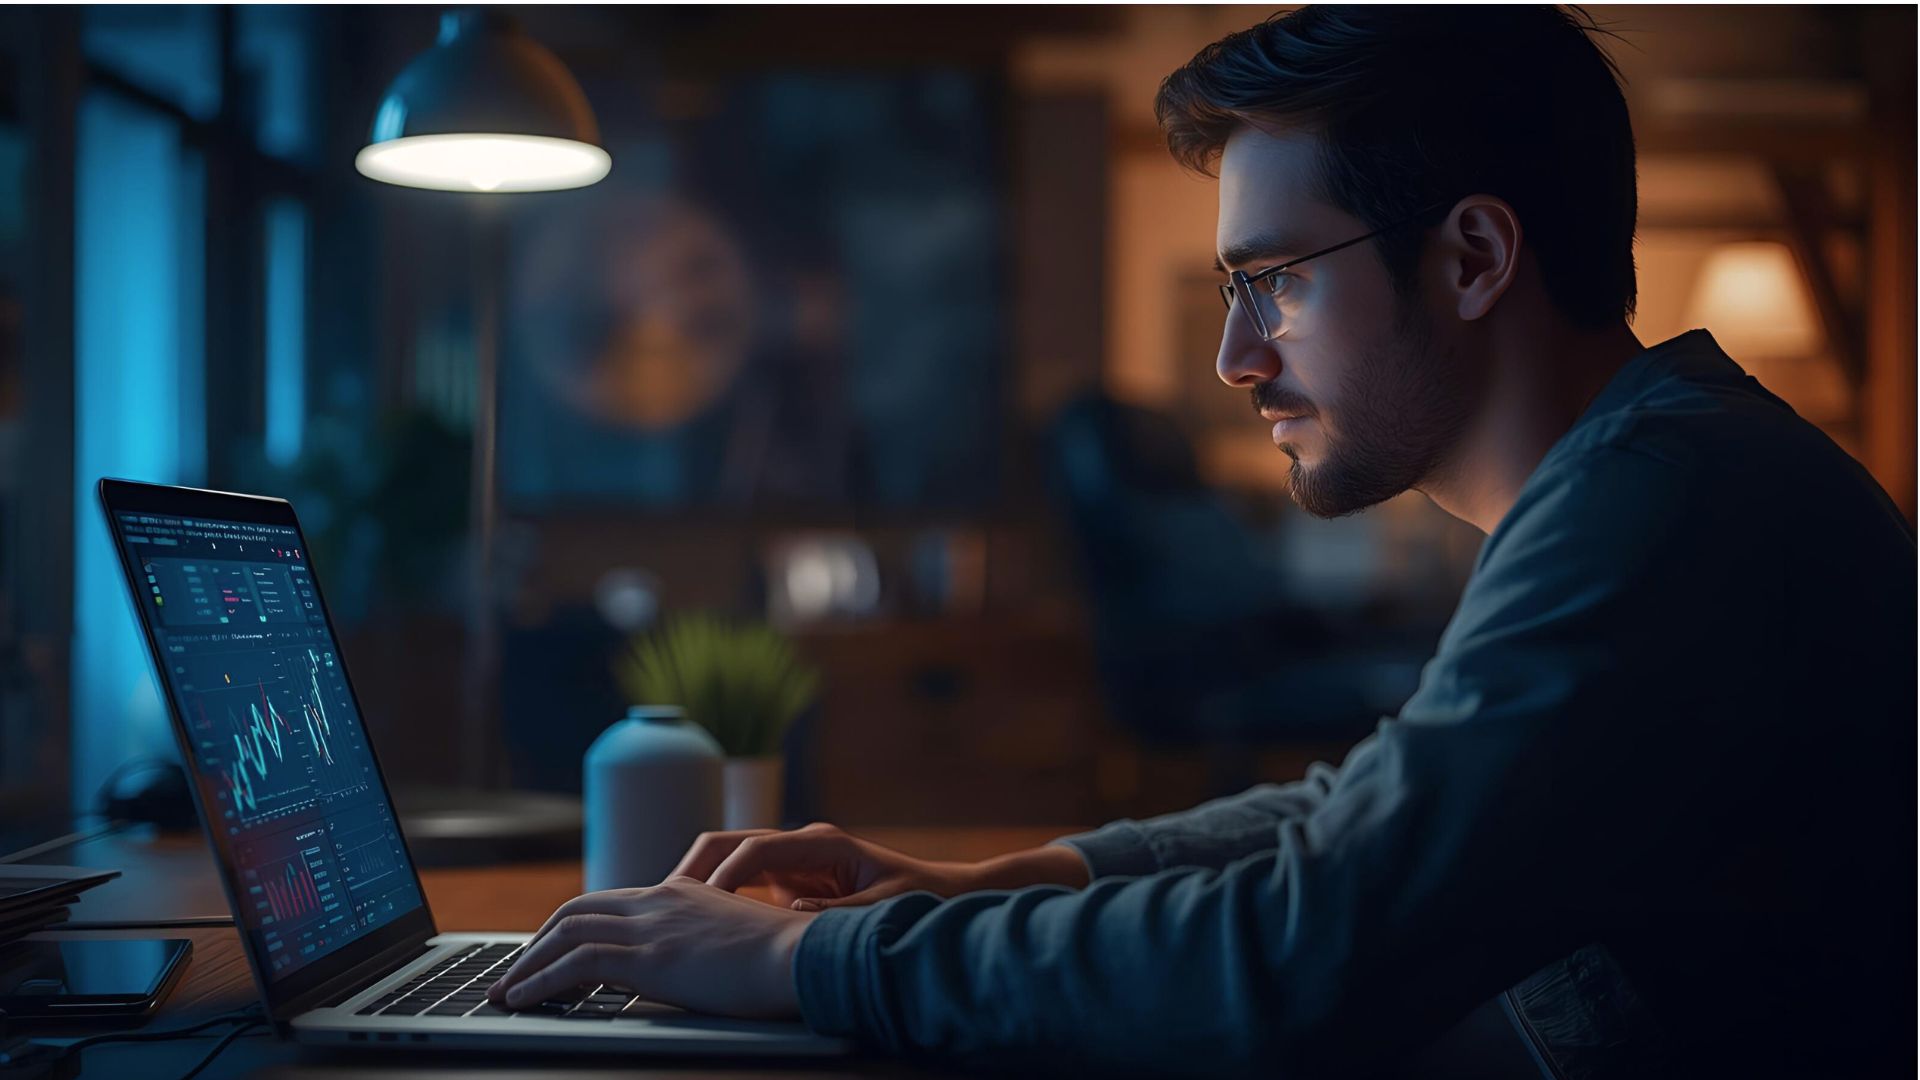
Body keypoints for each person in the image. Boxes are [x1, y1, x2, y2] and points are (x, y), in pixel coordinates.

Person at [487, 7, 1916, 1076]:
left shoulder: (1658, 505)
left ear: (1475, 259)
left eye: (1277, 280)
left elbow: (1310, 949)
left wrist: (813, 956)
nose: (1235, 357)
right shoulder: (1646, 474)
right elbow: (1360, 817)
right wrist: (998, 882)